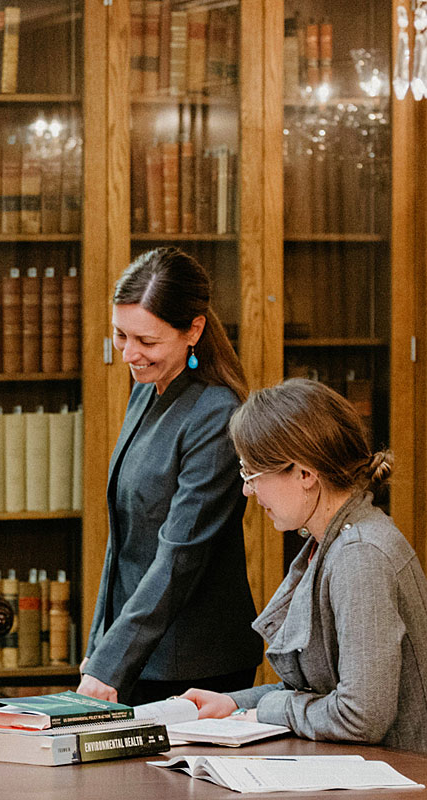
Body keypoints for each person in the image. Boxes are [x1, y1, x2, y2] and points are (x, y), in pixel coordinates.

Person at [182, 379, 427, 758]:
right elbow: (322, 692)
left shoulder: (360, 555)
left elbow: (359, 716)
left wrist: (263, 711)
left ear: (305, 475)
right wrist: (234, 703)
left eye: (252, 475)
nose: (248, 492)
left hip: (414, 778)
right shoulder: (332, 541)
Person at [79, 247, 263, 706]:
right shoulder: (148, 392)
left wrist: (111, 660)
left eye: (146, 341)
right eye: (121, 336)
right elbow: (123, 541)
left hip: (195, 665)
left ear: (193, 330)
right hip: (136, 652)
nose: (129, 354)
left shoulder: (216, 414)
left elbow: (179, 558)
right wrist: (99, 646)